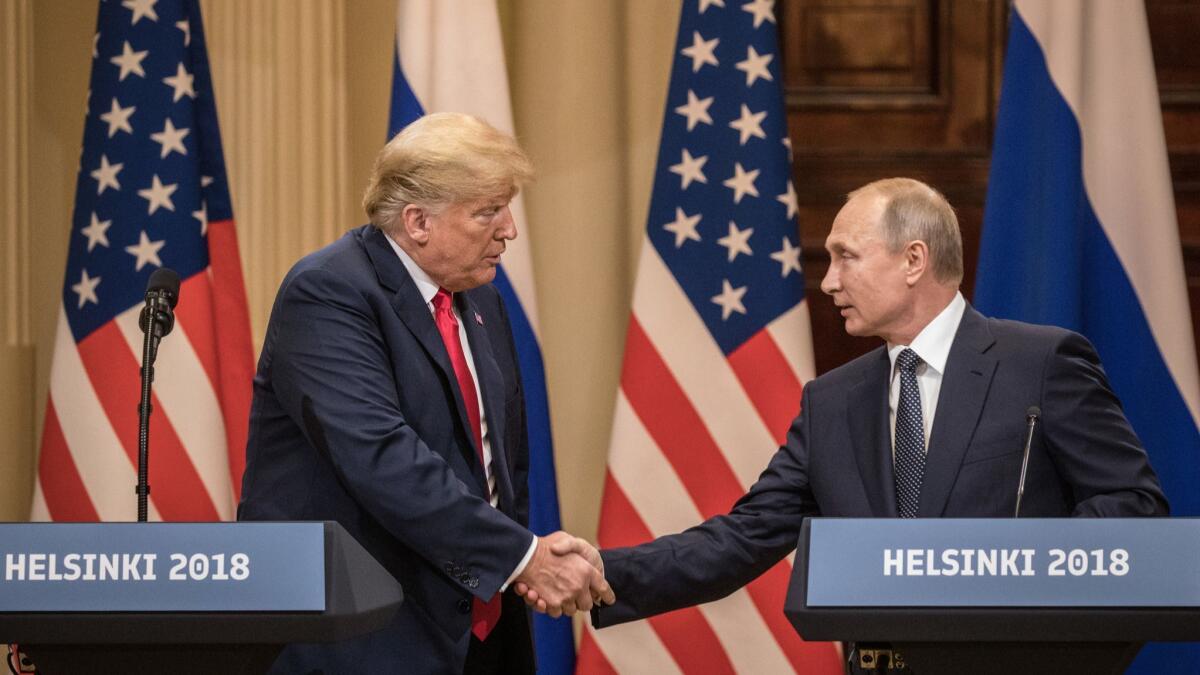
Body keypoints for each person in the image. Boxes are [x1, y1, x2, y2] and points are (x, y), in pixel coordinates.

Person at [524, 177, 1167, 650]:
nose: (827, 281)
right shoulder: (832, 401)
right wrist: (603, 571)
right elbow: (744, 537)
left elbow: (1131, 507)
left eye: (845, 257)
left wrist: (1004, 567)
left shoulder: (1041, 362)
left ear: (914, 260)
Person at [238, 112, 613, 675]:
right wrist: (523, 558)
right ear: (417, 222)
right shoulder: (329, 292)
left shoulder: (479, 297)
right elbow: (382, 459)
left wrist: (514, 569)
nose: (509, 229)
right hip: (362, 637)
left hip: (479, 630)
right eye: (487, 211)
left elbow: (500, 465)